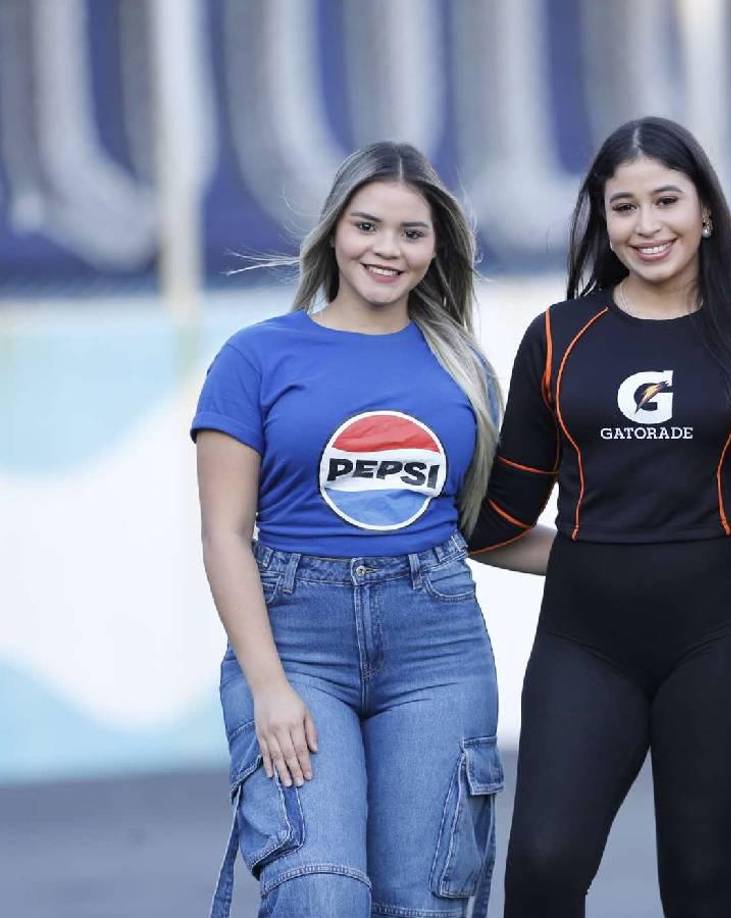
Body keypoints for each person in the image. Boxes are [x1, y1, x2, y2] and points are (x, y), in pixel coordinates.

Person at [466, 116, 731, 917]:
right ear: (601, 219)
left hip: (722, 646)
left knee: (703, 889)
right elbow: (494, 524)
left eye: (666, 200)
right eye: (623, 207)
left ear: (705, 212)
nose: (647, 225)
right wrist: (605, 553)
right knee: (544, 870)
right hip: (584, 645)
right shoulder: (558, 338)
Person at [194, 142, 503, 918]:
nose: (387, 249)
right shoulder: (256, 356)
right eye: (368, 225)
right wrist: (269, 688)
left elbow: (486, 528)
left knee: (423, 904)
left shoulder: (461, 366)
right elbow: (226, 533)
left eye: (411, 233)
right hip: (297, 646)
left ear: (437, 250)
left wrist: (640, 555)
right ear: (335, 230)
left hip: (437, 646)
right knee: (320, 895)